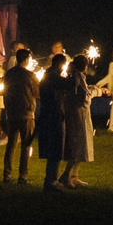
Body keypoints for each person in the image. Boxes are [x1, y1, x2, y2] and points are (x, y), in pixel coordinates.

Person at [2, 47, 39, 182]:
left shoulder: (9, 74)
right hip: (26, 113)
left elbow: (5, 91)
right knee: (25, 145)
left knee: (11, 145)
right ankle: (22, 176)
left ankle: (7, 174)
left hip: (11, 113)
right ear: (26, 59)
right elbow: (37, 93)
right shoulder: (29, 75)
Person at [59, 50, 96, 187]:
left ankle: (74, 175)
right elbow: (81, 97)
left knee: (81, 144)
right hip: (77, 115)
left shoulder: (78, 76)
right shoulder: (75, 77)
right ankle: (65, 175)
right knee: (77, 144)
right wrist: (93, 92)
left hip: (81, 114)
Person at [36, 53, 69, 190]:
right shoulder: (53, 77)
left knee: (53, 149)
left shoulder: (47, 75)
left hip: (48, 115)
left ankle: (51, 180)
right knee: (55, 149)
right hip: (53, 115)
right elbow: (70, 84)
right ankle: (51, 181)